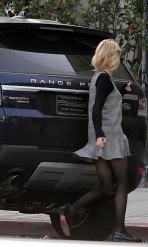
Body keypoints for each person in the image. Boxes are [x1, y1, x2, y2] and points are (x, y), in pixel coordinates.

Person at [58, 39, 141, 242]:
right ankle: (119, 230)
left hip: (101, 138)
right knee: (122, 183)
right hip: (110, 137)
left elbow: (103, 102)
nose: (120, 59)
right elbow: (96, 109)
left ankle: (70, 209)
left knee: (105, 186)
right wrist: (101, 134)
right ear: (111, 56)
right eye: (119, 55)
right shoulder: (104, 79)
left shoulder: (99, 78)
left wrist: (122, 91)